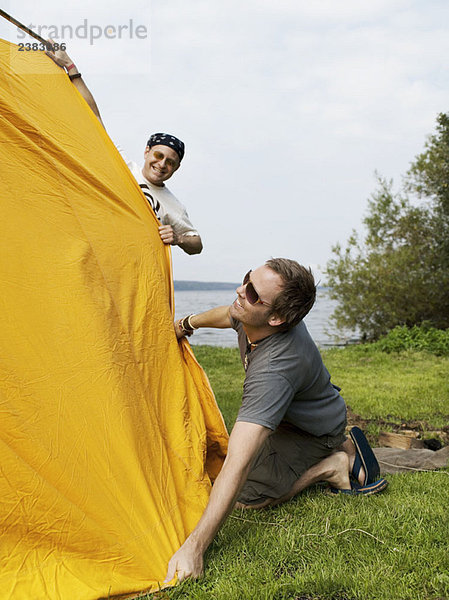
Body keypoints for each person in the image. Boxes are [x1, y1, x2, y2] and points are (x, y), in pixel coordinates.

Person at [166, 258, 388, 582]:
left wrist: (194, 547)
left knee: (244, 497)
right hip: (294, 416)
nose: (241, 290)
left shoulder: (274, 370)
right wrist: (186, 324)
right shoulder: (254, 312)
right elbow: (229, 315)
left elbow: (238, 464)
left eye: (253, 292)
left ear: (276, 318)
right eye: (246, 279)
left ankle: (331, 465)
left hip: (310, 431)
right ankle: (334, 451)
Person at [45, 43, 203, 255]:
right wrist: (71, 67)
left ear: (176, 168)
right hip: (88, 247)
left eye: (170, 162)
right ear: (147, 152)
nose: (162, 164)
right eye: (158, 155)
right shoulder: (122, 166)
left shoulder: (173, 206)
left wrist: (178, 238)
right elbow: (93, 115)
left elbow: (197, 245)